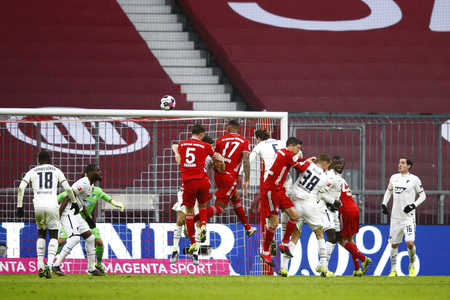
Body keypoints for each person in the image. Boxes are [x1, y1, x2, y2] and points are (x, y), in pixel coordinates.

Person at [16, 151, 77, 278]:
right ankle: (49, 264)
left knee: (41, 234)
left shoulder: (32, 171)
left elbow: (21, 187)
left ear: (38, 159)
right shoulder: (56, 170)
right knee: (54, 236)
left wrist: (19, 206)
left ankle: (39, 266)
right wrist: (75, 202)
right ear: (50, 159)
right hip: (52, 206)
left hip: (38, 207)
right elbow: (68, 188)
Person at [259, 137, 315, 268]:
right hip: (271, 191)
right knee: (274, 222)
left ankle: (284, 243)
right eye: (298, 148)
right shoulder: (288, 155)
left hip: (280, 190)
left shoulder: (282, 153)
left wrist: (305, 160)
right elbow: (300, 169)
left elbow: (294, 162)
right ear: (291, 146)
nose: (298, 151)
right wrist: (308, 162)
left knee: (295, 215)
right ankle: (265, 251)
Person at [279, 153, 336, 277]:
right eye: (327, 166)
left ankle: (284, 268)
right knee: (319, 234)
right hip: (310, 203)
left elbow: (297, 166)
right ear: (325, 164)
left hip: (296, 203)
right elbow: (319, 196)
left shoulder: (308, 166)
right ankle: (324, 267)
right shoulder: (324, 177)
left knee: (295, 235)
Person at [170, 135, 224, 264]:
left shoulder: (210, 158)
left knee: (198, 221)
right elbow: (175, 145)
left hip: (200, 188)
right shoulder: (192, 150)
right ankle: (175, 250)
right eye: (209, 146)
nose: (210, 148)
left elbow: (221, 169)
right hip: (187, 189)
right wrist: (177, 154)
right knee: (180, 219)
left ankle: (195, 253)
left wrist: (221, 161)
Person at [201, 120, 257, 237]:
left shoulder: (220, 140)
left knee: (235, 197)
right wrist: (247, 179)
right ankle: (193, 218)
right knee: (219, 208)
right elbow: (246, 160)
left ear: (228, 129)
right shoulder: (244, 141)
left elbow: (216, 159)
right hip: (230, 178)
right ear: (238, 129)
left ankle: (248, 227)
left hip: (219, 175)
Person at [56, 183, 124, 275]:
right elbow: (59, 198)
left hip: (86, 221)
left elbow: (106, 198)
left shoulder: (97, 191)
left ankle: (97, 264)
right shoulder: (76, 191)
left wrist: (116, 204)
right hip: (71, 219)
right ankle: (51, 262)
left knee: (99, 243)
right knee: (60, 241)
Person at [51, 164, 104, 276]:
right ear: (90, 173)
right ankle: (55, 265)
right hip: (68, 212)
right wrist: (58, 216)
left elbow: (81, 203)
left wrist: (88, 218)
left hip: (76, 213)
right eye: (97, 170)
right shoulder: (83, 183)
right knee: (75, 238)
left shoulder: (90, 185)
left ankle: (91, 268)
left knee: (90, 238)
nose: (100, 172)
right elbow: (66, 198)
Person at [382, 157, 426, 277]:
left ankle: (411, 265)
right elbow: (388, 191)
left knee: (410, 243)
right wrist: (384, 203)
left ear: (409, 166)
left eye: (402, 163)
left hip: (408, 217)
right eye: (399, 163)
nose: (399, 165)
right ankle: (393, 270)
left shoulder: (414, 179)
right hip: (395, 217)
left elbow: (423, 196)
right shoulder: (394, 178)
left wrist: (413, 205)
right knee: (394, 244)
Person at [333, 155, 372, 276]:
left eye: (341, 163)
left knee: (339, 239)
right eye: (336, 163)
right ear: (332, 165)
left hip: (346, 211)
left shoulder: (331, 178)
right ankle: (357, 269)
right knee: (350, 240)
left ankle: (364, 259)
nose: (339, 165)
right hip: (354, 209)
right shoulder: (341, 179)